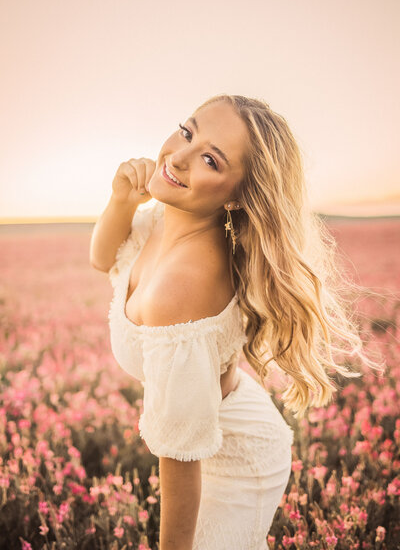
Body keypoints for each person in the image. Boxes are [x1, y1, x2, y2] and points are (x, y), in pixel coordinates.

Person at [90, 94, 380, 550]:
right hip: (216, 430)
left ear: (236, 197)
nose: (178, 157)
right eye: (187, 132)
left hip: (234, 458)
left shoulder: (182, 287)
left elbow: (180, 453)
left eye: (210, 159)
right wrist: (121, 200)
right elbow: (104, 258)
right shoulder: (168, 216)